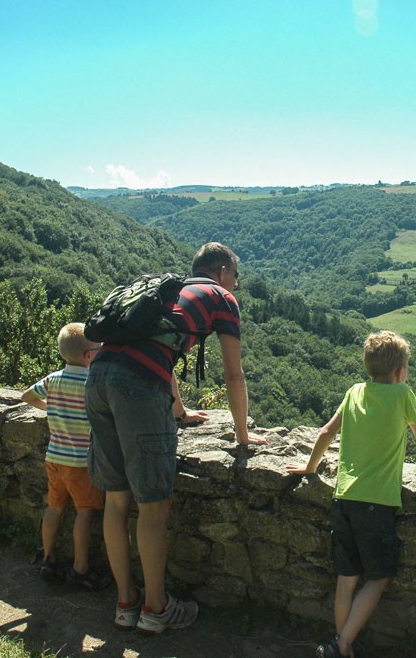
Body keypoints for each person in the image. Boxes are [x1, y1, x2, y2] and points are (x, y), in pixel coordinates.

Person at [86, 242, 267, 635]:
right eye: (235, 277)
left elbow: (159, 349)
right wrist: (242, 433)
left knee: (116, 502)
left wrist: (179, 411)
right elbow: (233, 374)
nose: (236, 286)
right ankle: (156, 609)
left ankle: (125, 605)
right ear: (222, 272)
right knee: (153, 506)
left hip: (98, 376)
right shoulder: (220, 298)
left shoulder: (168, 292)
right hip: (136, 387)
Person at [287, 330, 416, 658]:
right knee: (379, 577)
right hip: (377, 503)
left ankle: (342, 644)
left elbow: (327, 432)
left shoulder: (355, 391)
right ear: (400, 372)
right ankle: (340, 646)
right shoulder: (402, 395)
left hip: (343, 498)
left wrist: (310, 469)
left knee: (347, 578)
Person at [21, 322, 110, 591]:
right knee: (84, 512)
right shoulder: (91, 384)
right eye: (97, 348)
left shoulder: (54, 379)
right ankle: (80, 569)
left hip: (54, 458)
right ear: (88, 355)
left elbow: (27, 396)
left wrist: (50, 406)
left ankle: (48, 558)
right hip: (80, 463)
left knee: (54, 506)